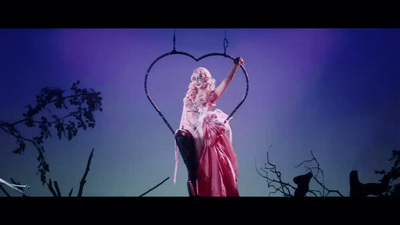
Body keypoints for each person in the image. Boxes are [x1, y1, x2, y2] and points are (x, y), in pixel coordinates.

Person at [174, 57, 244, 197]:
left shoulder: (210, 95)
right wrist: (180, 130)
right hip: (188, 131)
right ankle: (193, 189)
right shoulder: (189, 96)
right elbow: (183, 114)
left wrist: (235, 66)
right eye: (194, 78)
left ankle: (202, 192)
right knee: (191, 169)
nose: (196, 81)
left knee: (202, 169)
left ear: (206, 79)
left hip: (201, 134)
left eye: (200, 78)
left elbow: (226, 82)